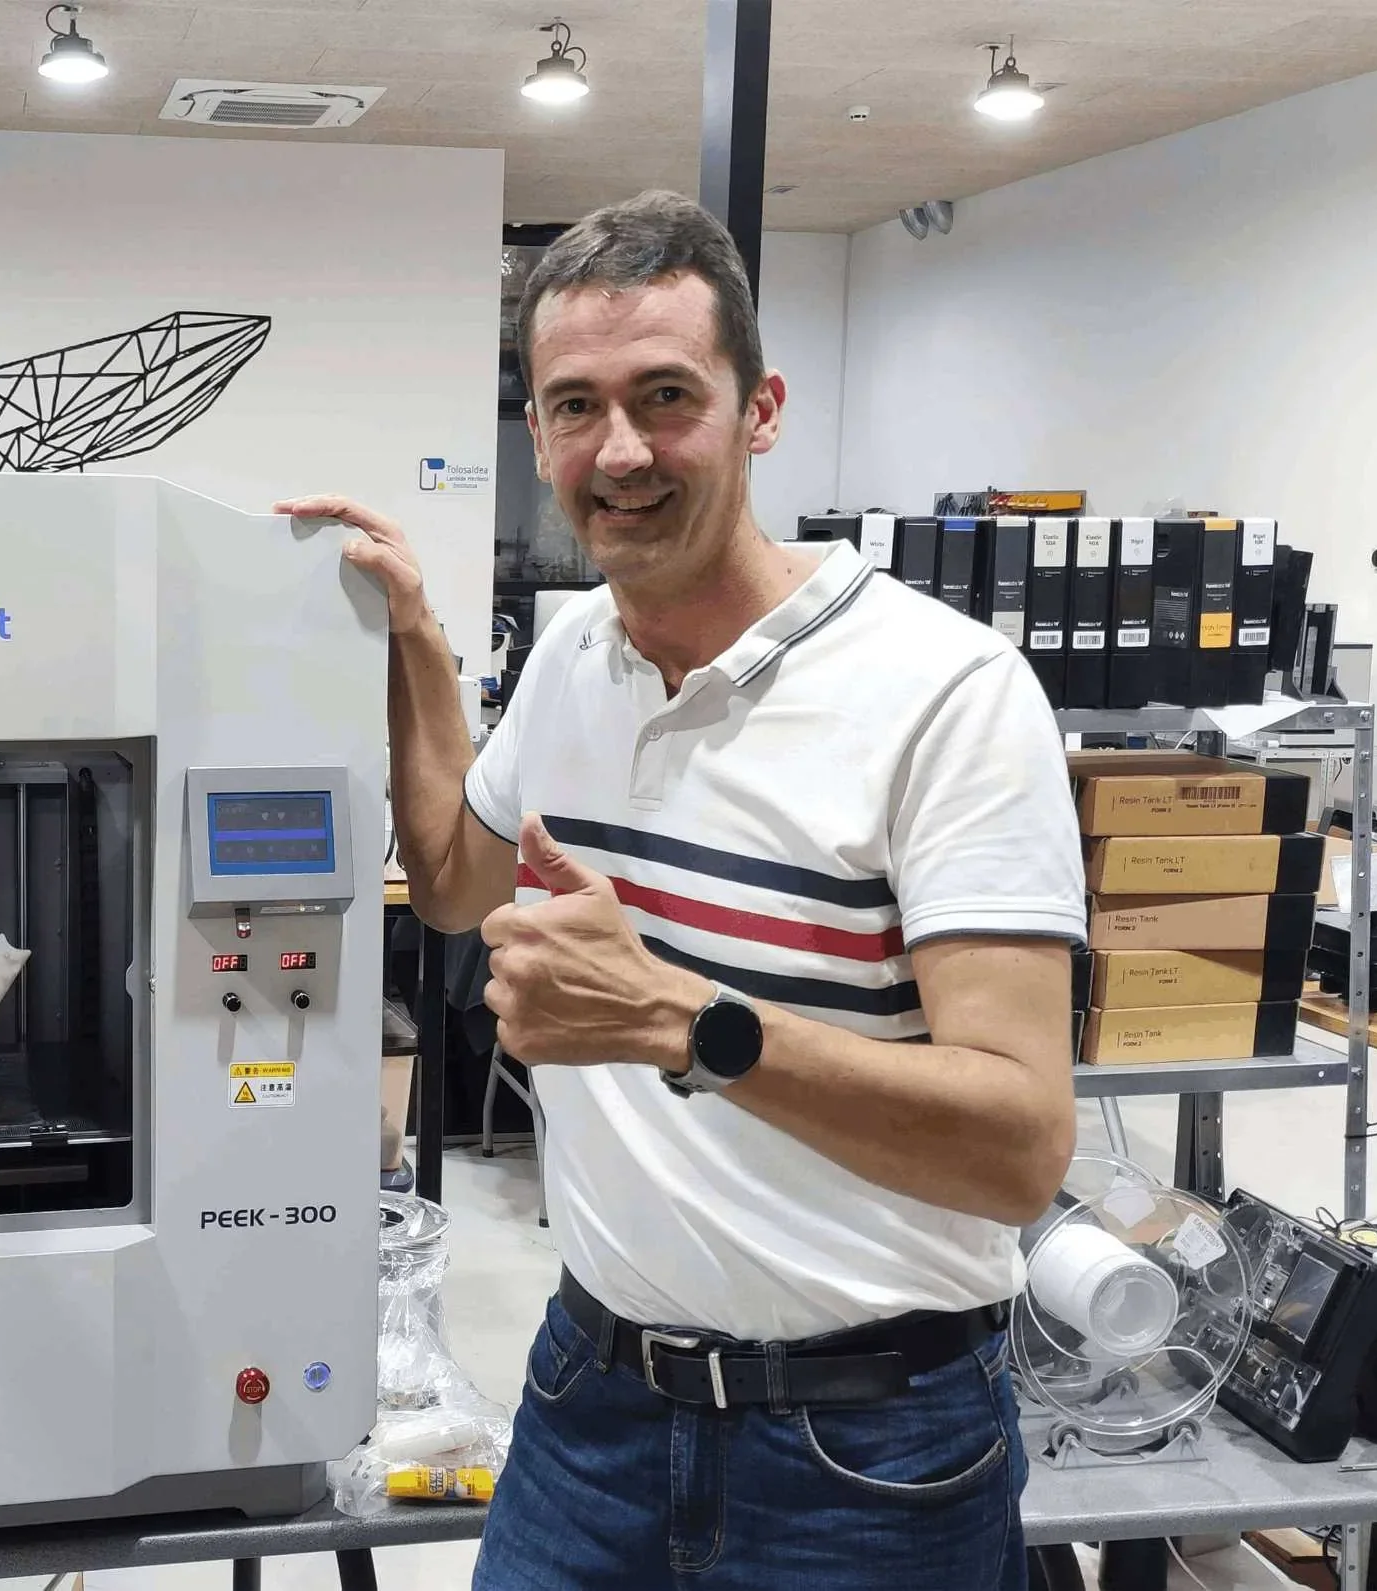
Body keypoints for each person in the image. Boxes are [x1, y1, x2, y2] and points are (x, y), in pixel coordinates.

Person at [277, 190, 1083, 1590]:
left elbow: (1017, 1148)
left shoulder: (946, 693)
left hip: (866, 1453)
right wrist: (413, 642)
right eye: (575, 407)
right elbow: (456, 884)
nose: (621, 451)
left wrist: (676, 1021)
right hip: (591, 1403)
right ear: (538, 435)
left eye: (666, 397)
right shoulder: (575, 655)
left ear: (758, 410)